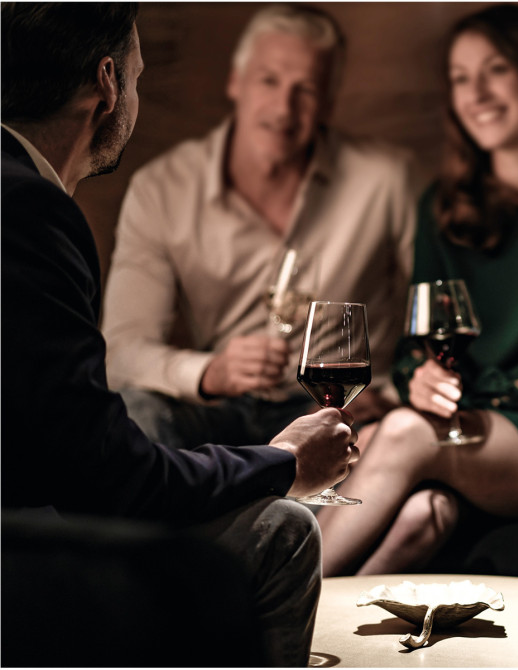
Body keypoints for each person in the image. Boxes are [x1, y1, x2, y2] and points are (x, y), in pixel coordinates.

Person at [0, 4, 359, 665]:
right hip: (20, 549)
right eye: (138, 77)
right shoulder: (28, 210)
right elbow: (110, 476)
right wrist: (282, 462)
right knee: (282, 530)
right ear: (108, 83)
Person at [314, 3, 518, 577]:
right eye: (461, 78)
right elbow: (415, 349)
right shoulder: (445, 208)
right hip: (474, 435)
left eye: (496, 69)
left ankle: (264, 601)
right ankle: (312, 629)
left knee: (400, 432)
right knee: (423, 513)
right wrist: (421, 380)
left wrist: (458, 397)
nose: (477, 93)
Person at [100, 4, 415, 450]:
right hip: (219, 410)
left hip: (338, 411)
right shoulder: (162, 188)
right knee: (134, 415)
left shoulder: (387, 180)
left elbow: (433, 315)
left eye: (306, 89)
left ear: (328, 102)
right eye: (269, 80)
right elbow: (120, 352)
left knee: (387, 441)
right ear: (236, 82)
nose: (284, 108)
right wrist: (210, 373)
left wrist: (391, 394)